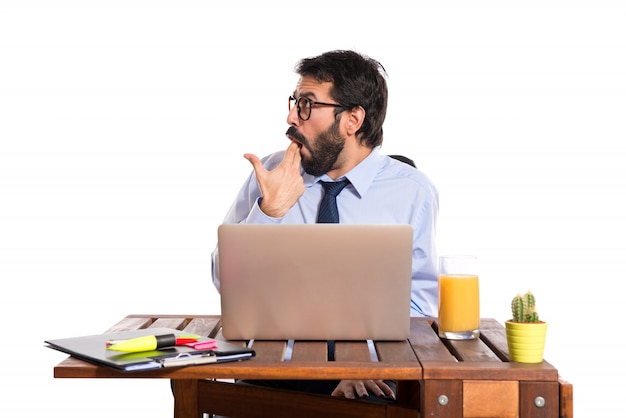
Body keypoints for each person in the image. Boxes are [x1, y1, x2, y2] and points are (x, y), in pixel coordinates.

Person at [210, 49, 438, 401]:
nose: (291, 116)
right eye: (294, 102)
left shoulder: (412, 191)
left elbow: (420, 307)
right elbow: (224, 281)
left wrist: (361, 363)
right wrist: (269, 212)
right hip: (272, 369)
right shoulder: (270, 175)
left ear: (352, 120)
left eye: (307, 105)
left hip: (368, 375)